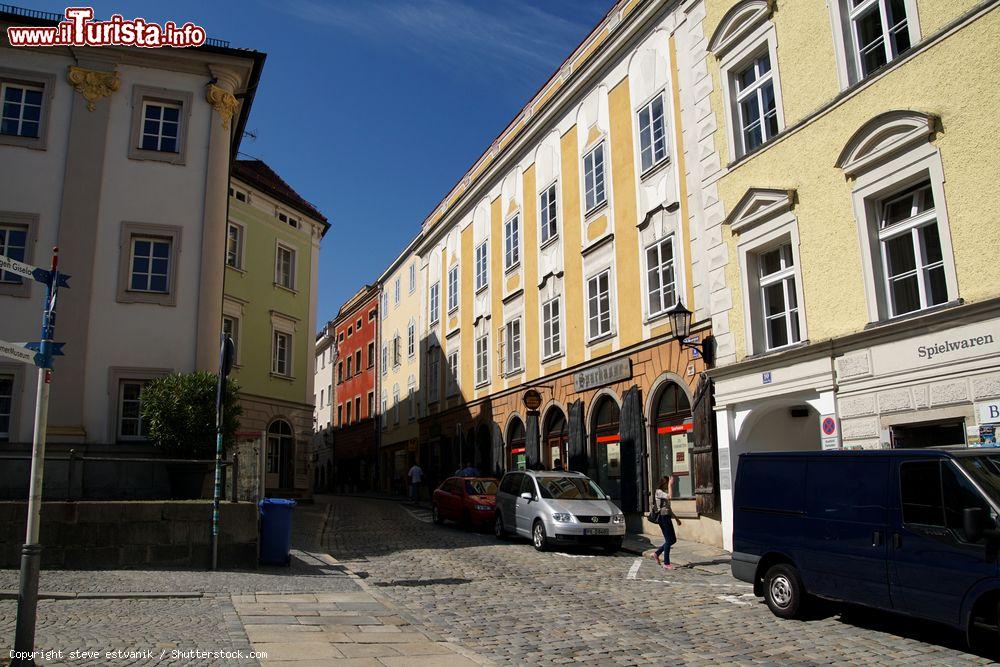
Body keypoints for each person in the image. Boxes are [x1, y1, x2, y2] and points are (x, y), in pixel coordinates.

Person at [652, 476, 681, 570]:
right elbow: (670, 496)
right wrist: (670, 485)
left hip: (666, 516)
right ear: (664, 483)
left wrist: (676, 519)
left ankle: (656, 554)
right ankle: (666, 563)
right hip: (663, 517)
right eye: (667, 483)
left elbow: (668, 508)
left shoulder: (662, 493)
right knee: (669, 540)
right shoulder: (658, 492)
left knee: (673, 540)